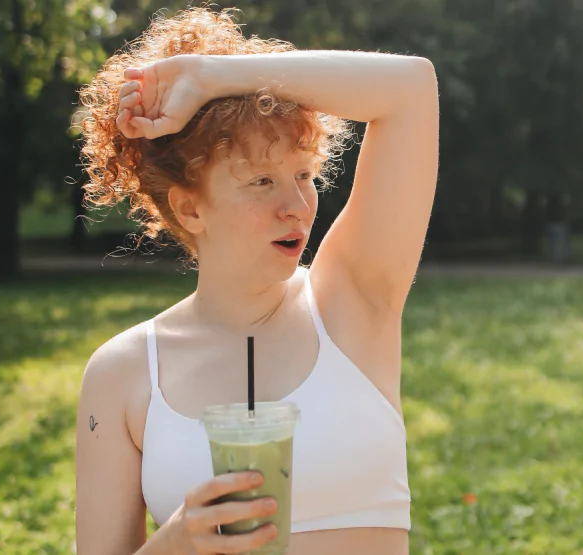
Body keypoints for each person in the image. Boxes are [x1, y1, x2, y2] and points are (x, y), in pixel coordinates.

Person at [74, 6, 438, 555]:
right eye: (263, 181)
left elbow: (410, 88)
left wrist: (215, 75)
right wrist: (175, 544)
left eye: (303, 175)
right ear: (190, 209)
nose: (296, 207)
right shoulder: (123, 374)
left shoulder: (352, 297)